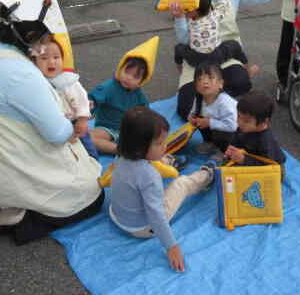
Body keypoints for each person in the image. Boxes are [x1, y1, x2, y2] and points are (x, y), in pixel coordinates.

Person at [0, 0, 104, 244]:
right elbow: (58, 134)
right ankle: (13, 216)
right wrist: (73, 122)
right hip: (7, 172)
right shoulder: (19, 72)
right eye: (42, 40)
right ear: (30, 33)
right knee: (92, 196)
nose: (43, 47)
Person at [109, 106, 217, 272]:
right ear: (139, 147)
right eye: (159, 143)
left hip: (117, 216)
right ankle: (207, 175)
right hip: (142, 228)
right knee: (181, 184)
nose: (165, 146)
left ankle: (168, 162)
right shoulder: (150, 176)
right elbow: (156, 214)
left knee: (154, 163)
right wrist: (171, 246)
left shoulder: (121, 155)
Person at [171, 0, 270, 120]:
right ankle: (215, 99)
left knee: (241, 82)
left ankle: (212, 99)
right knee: (185, 108)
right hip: (198, 57)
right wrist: (179, 18)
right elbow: (184, 39)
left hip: (227, 54)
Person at [33, 35, 99, 160]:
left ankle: (94, 163)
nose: (51, 62)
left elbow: (82, 100)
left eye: (56, 57)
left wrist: (83, 120)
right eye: (44, 58)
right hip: (57, 125)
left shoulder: (67, 81)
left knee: (86, 148)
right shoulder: (39, 82)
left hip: (75, 122)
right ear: (35, 62)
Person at [173, 0, 249, 69]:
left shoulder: (194, 26)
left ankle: (179, 66)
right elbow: (222, 6)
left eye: (186, 8)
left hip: (196, 59)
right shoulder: (215, 15)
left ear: (195, 11)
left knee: (179, 48)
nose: (183, 10)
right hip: (217, 55)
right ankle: (246, 66)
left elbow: (183, 39)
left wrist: (179, 18)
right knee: (235, 44)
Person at [88, 56, 149, 154]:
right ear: (120, 69)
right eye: (127, 72)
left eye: (135, 76)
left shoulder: (138, 94)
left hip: (128, 131)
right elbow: (93, 99)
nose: (129, 78)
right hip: (107, 129)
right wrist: (88, 110)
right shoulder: (109, 86)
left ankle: (128, 149)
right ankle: (120, 150)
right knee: (87, 137)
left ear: (141, 82)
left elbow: (145, 112)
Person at [224, 90, 286, 179]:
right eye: (238, 116)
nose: (239, 122)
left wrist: (244, 160)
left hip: (273, 168)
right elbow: (236, 140)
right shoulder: (243, 128)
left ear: (264, 122)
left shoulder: (265, 140)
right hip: (251, 157)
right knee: (228, 167)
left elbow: (267, 166)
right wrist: (231, 149)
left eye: (246, 121)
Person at [187, 62, 238, 159]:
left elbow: (232, 126)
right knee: (199, 118)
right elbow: (193, 112)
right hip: (213, 125)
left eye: (210, 78)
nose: (205, 82)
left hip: (232, 132)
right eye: (200, 79)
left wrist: (210, 123)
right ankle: (210, 142)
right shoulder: (199, 98)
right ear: (196, 86)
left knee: (224, 135)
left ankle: (224, 150)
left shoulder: (225, 102)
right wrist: (191, 117)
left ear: (220, 84)